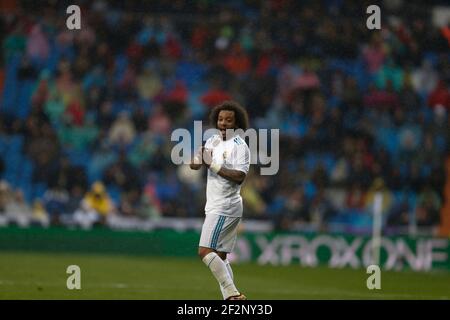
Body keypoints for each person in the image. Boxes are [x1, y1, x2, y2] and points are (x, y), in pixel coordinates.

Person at [190, 100, 250, 300]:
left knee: (204, 251)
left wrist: (212, 166)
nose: (223, 123)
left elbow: (240, 176)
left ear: (237, 124)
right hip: (216, 205)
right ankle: (230, 299)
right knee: (221, 257)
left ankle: (233, 295)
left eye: (229, 120)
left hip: (225, 206)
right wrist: (197, 158)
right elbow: (196, 165)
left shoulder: (240, 146)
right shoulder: (213, 141)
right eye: (221, 119)